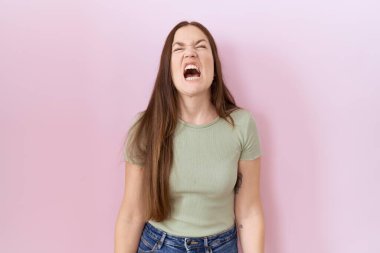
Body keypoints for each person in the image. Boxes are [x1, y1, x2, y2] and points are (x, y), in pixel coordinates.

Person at [114, 21, 265, 253]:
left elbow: (249, 212)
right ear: (169, 69)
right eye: (179, 48)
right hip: (159, 245)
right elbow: (132, 214)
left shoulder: (242, 125)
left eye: (200, 47)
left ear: (214, 66)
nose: (190, 53)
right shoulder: (144, 127)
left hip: (222, 246)